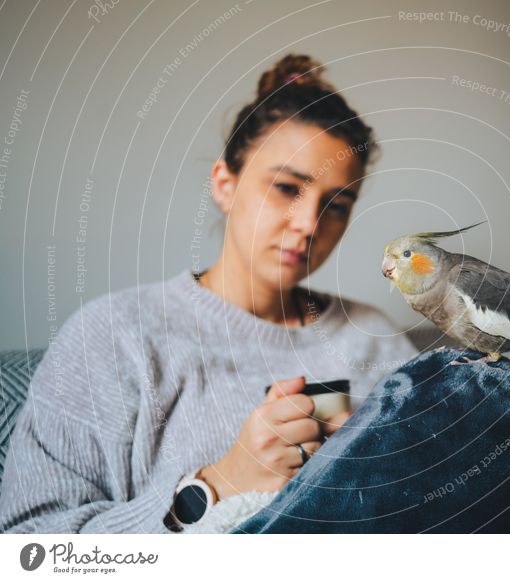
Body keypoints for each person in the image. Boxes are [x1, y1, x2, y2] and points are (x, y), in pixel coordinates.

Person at [0, 54, 418, 533]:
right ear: (225, 184)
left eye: (337, 205)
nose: (309, 225)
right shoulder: (114, 336)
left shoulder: (375, 339)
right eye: (285, 188)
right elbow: (27, 553)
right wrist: (220, 484)